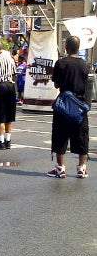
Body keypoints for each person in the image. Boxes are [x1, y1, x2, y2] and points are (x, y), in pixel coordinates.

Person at [47, 35, 90, 179]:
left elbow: (57, 84)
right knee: (82, 135)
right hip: (79, 104)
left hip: (64, 103)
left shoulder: (61, 63)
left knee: (60, 134)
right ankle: (81, 168)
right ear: (78, 48)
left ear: (66, 47)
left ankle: (60, 169)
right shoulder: (85, 64)